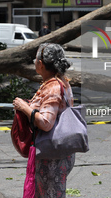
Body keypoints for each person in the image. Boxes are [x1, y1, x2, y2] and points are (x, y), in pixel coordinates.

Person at [13, 43, 74, 198]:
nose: (34, 62)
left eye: (35, 59)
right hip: (59, 152)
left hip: (52, 157)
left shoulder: (53, 87)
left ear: (40, 63)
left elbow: (46, 123)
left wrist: (24, 107)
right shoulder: (61, 81)